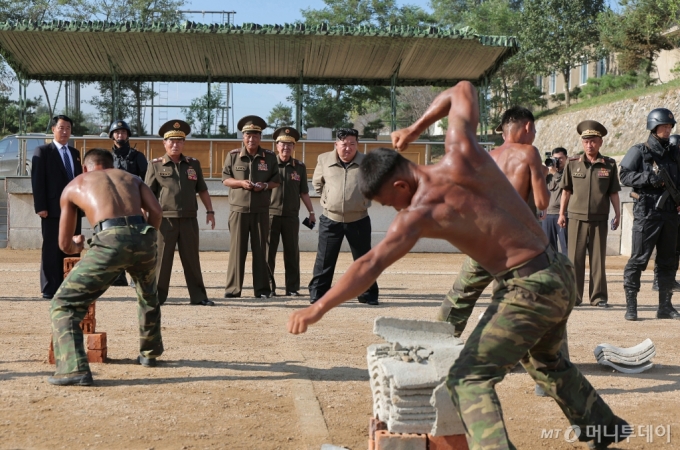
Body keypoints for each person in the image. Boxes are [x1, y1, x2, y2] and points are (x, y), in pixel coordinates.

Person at [287, 82, 628, 450]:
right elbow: (463, 89)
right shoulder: (462, 152)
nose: (396, 211)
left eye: (391, 202)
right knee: (544, 360)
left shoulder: (417, 214)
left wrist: (319, 306)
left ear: (401, 184)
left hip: (529, 288)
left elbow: (368, 264)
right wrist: (414, 129)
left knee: (467, 379)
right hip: (559, 272)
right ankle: (604, 427)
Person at [48, 148, 163, 386]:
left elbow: (64, 244)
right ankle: (150, 355)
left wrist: (78, 245)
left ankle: (73, 369)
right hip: (145, 235)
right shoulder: (132, 178)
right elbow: (156, 212)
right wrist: (145, 239)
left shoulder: (74, 185)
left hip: (110, 239)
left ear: (85, 168)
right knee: (147, 293)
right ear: (112, 166)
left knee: (64, 303)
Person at [437, 106, 549, 338]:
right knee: (523, 298)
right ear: (528, 126)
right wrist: (542, 175)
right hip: (517, 244)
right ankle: (511, 349)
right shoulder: (530, 153)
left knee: (461, 294)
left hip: (485, 238)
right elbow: (542, 202)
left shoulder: (488, 157)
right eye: (534, 129)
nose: (534, 134)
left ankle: (438, 341)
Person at [145, 120, 216, 306]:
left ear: (184, 143)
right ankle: (157, 298)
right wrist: (146, 217)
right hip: (165, 221)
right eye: (171, 141)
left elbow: (202, 189)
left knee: (192, 260)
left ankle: (199, 297)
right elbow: (147, 194)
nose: (175, 144)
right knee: (162, 261)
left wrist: (210, 211)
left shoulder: (193, 164)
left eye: (179, 141)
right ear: (164, 143)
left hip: (189, 220)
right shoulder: (155, 165)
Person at [620, 109, 680, 321]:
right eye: (663, 126)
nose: (667, 129)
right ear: (653, 127)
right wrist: (648, 178)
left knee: (668, 261)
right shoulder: (640, 151)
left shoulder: (674, 152)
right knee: (638, 259)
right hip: (646, 213)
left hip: (670, 214)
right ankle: (631, 305)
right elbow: (624, 175)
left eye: (669, 126)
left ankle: (665, 306)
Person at [308, 128, 379, 305]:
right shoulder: (323, 159)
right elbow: (318, 183)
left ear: (357, 144)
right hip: (330, 219)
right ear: (336, 144)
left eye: (352, 144)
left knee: (363, 260)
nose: (348, 148)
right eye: (344, 144)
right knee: (324, 259)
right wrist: (330, 197)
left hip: (359, 219)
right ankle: (318, 294)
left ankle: (368, 294)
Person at [558, 121, 621, 307]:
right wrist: (561, 214)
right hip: (576, 217)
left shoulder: (608, 165)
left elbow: (614, 193)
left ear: (600, 142)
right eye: (586, 141)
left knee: (598, 259)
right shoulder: (572, 163)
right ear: (582, 142)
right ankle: (574, 297)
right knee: (574, 259)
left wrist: (618, 214)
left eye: (593, 141)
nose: (589, 145)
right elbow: (566, 191)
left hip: (599, 218)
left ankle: (599, 297)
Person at [222, 116, 281, 298]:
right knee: (237, 251)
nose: (251, 139)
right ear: (243, 136)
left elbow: (276, 180)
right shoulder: (233, 156)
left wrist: (264, 186)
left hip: (261, 210)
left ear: (260, 137)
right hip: (238, 210)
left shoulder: (270, 157)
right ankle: (233, 289)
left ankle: (262, 290)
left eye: (255, 135)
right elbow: (225, 179)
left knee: (260, 250)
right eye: (248, 135)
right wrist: (240, 183)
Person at [31, 115, 83, 299]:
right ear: (53, 129)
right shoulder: (43, 151)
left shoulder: (75, 153)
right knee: (52, 247)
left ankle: (70, 286)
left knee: (73, 246)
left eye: (68, 128)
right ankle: (49, 287)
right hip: (52, 209)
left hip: (74, 209)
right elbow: (37, 181)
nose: (65, 131)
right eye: (61, 127)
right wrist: (40, 206)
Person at [267, 127, 315, 296]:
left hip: (291, 216)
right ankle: (268, 287)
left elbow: (304, 192)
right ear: (276, 146)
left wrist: (311, 212)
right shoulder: (268, 165)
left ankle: (292, 288)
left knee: (292, 253)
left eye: (290, 145)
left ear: (294, 147)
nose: (286, 148)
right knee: (268, 253)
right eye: (283, 144)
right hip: (270, 215)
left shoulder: (299, 167)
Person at [108, 119, 149, 287]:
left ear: (128, 135)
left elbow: (146, 182)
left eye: (123, 132)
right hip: (113, 205)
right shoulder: (107, 157)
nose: (120, 135)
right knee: (115, 240)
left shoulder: (138, 157)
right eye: (117, 132)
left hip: (133, 204)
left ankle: (136, 276)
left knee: (136, 241)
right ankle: (118, 277)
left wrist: (144, 205)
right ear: (112, 136)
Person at [542, 147, 569, 255]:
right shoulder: (547, 174)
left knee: (566, 247)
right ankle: (553, 271)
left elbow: (565, 185)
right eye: (555, 158)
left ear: (566, 158)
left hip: (563, 215)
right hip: (548, 215)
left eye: (560, 158)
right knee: (549, 249)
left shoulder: (568, 172)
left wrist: (555, 173)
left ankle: (568, 271)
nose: (557, 161)